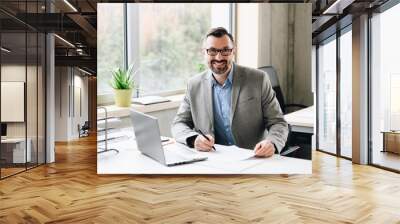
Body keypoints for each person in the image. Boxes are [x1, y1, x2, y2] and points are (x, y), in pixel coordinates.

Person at [171, 27, 288, 157]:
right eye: (212, 51)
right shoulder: (194, 85)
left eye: (225, 50)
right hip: (212, 160)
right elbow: (179, 124)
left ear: (233, 52)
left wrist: (271, 143)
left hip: (253, 158)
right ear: (204, 52)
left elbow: (278, 122)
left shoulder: (258, 79)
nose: (219, 57)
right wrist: (194, 139)